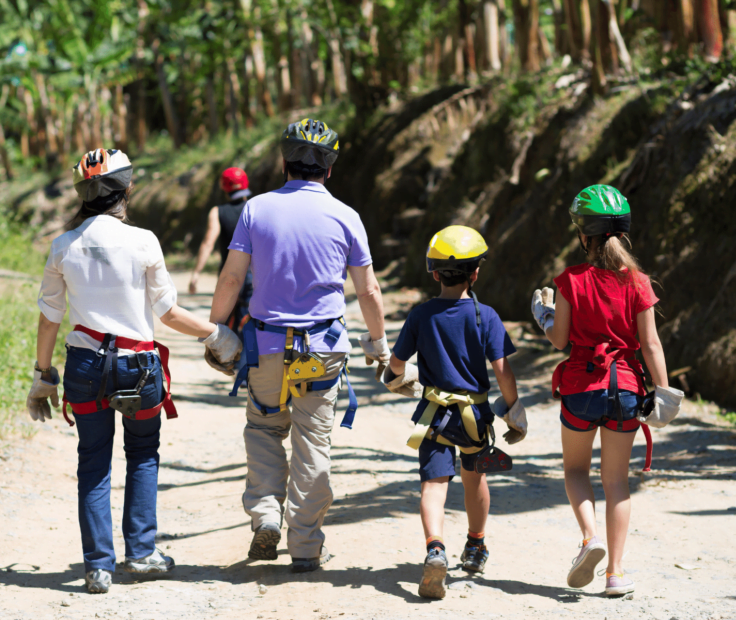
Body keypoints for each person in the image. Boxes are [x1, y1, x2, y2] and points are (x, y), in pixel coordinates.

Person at [26, 148, 241, 595]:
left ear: (83, 194)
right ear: (127, 189)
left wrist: (43, 375)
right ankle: (141, 554)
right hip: (138, 367)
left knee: (93, 462)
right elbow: (168, 313)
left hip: (85, 366)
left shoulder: (63, 246)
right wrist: (217, 336)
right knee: (142, 454)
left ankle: (98, 567)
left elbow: (50, 318)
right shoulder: (144, 241)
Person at [207, 118, 392, 573]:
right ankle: (306, 545)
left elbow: (232, 277)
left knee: (266, 430)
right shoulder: (346, 216)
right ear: (329, 169)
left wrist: (216, 331)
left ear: (283, 161)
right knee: (313, 444)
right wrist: (379, 343)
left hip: (266, 346)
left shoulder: (256, 210)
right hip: (323, 349)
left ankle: (267, 514)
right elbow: (368, 290)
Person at [531, 185, 670, 597]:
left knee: (575, 471)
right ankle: (615, 573)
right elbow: (651, 345)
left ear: (583, 235)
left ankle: (589, 537)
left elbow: (559, 339)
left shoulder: (570, 281)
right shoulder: (640, 282)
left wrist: (543, 314)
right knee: (617, 482)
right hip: (627, 388)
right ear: (623, 233)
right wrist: (662, 391)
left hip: (581, 386)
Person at [384, 225, 527, 599]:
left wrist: (393, 376)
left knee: (433, 485)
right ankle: (476, 546)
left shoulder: (421, 315)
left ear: (433, 272)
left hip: (434, 415)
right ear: (476, 272)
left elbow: (397, 364)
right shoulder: (486, 316)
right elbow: (502, 370)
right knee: (474, 479)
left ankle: (435, 548)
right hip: (475, 417)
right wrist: (513, 409)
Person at [189, 167, 254, 336]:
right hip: (256, 275)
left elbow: (208, 243)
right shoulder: (257, 208)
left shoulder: (218, 212)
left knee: (227, 329)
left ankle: (233, 360)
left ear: (224, 187)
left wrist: (196, 273)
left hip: (230, 273)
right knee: (252, 325)